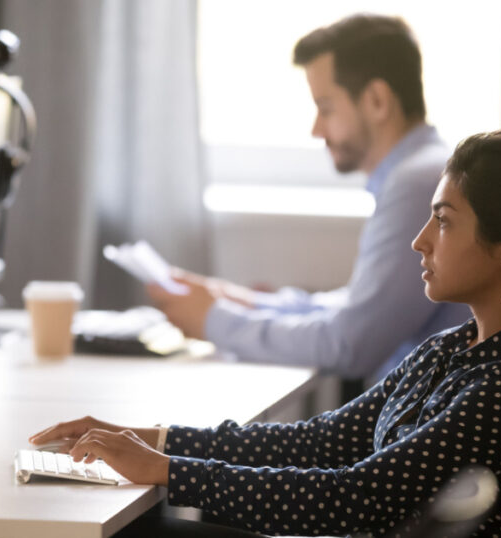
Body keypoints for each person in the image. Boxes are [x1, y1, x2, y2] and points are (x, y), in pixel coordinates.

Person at [30, 128, 501, 536]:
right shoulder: (458, 350)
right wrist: (151, 441)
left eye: (443, 221)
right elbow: (319, 443)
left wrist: (166, 470)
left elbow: (353, 495)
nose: (420, 241)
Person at [148, 15, 469, 386]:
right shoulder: (421, 172)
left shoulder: (417, 185)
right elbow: (356, 307)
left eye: (326, 107)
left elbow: (348, 343)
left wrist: (214, 321)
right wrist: (243, 302)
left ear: (377, 101)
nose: (316, 129)